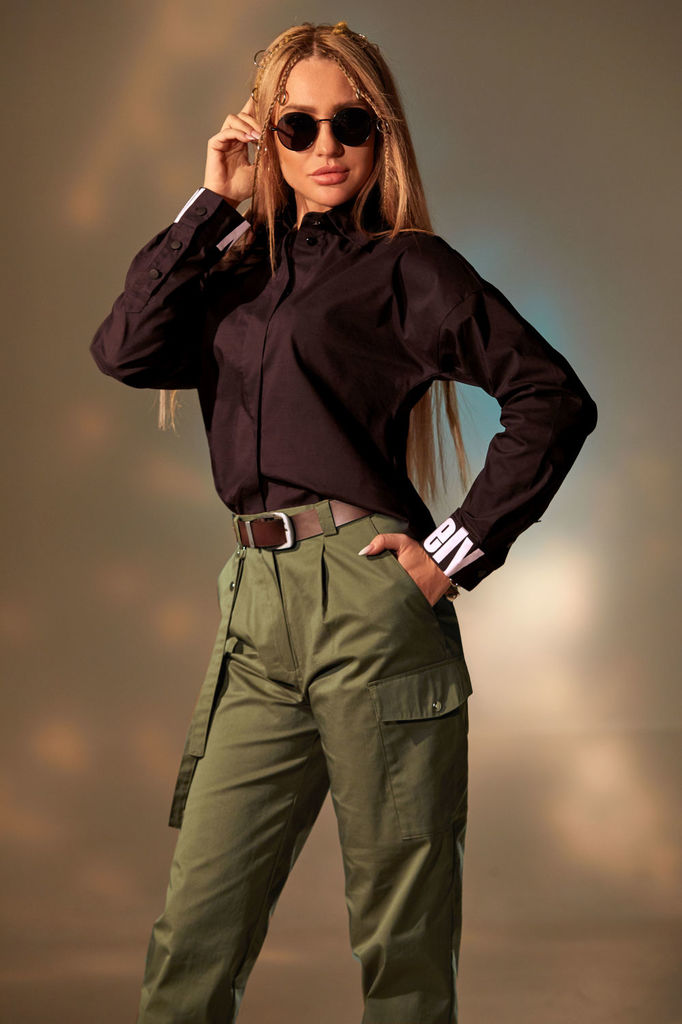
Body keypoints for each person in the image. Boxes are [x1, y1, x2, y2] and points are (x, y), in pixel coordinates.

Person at [89, 20, 598, 1024]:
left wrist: (449, 554)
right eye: (298, 126)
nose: (326, 146)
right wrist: (210, 202)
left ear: (381, 136)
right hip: (255, 617)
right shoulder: (228, 270)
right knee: (195, 933)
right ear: (264, 137)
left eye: (350, 124)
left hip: (369, 607)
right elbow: (125, 348)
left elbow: (551, 397)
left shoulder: (407, 269)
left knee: (401, 945)